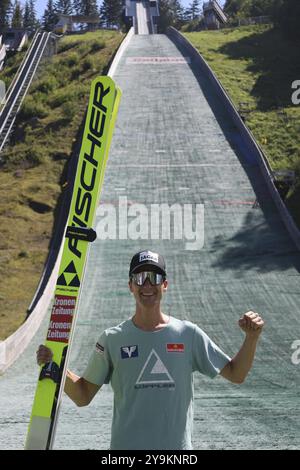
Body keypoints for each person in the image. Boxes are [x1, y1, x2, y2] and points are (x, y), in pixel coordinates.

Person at [37, 249, 265, 450]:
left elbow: (237, 374)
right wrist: (56, 368)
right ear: (130, 285)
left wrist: (252, 338)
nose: (147, 285)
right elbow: (83, 395)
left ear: (164, 284)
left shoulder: (188, 334)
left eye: (154, 277)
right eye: (140, 277)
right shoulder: (112, 339)